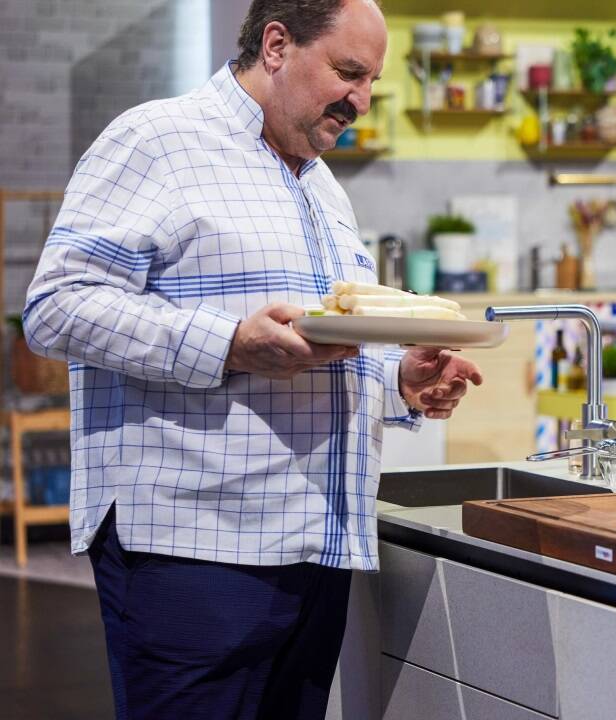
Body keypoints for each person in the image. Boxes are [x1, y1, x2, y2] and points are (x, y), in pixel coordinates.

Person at [22, 1, 482, 717]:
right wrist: (229, 344)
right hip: (194, 554)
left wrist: (400, 380)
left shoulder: (320, 185)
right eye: (349, 72)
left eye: (371, 83)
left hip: (315, 550)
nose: (361, 101)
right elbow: (56, 307)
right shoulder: (157, 140)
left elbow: (322, 349)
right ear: (276, 45)